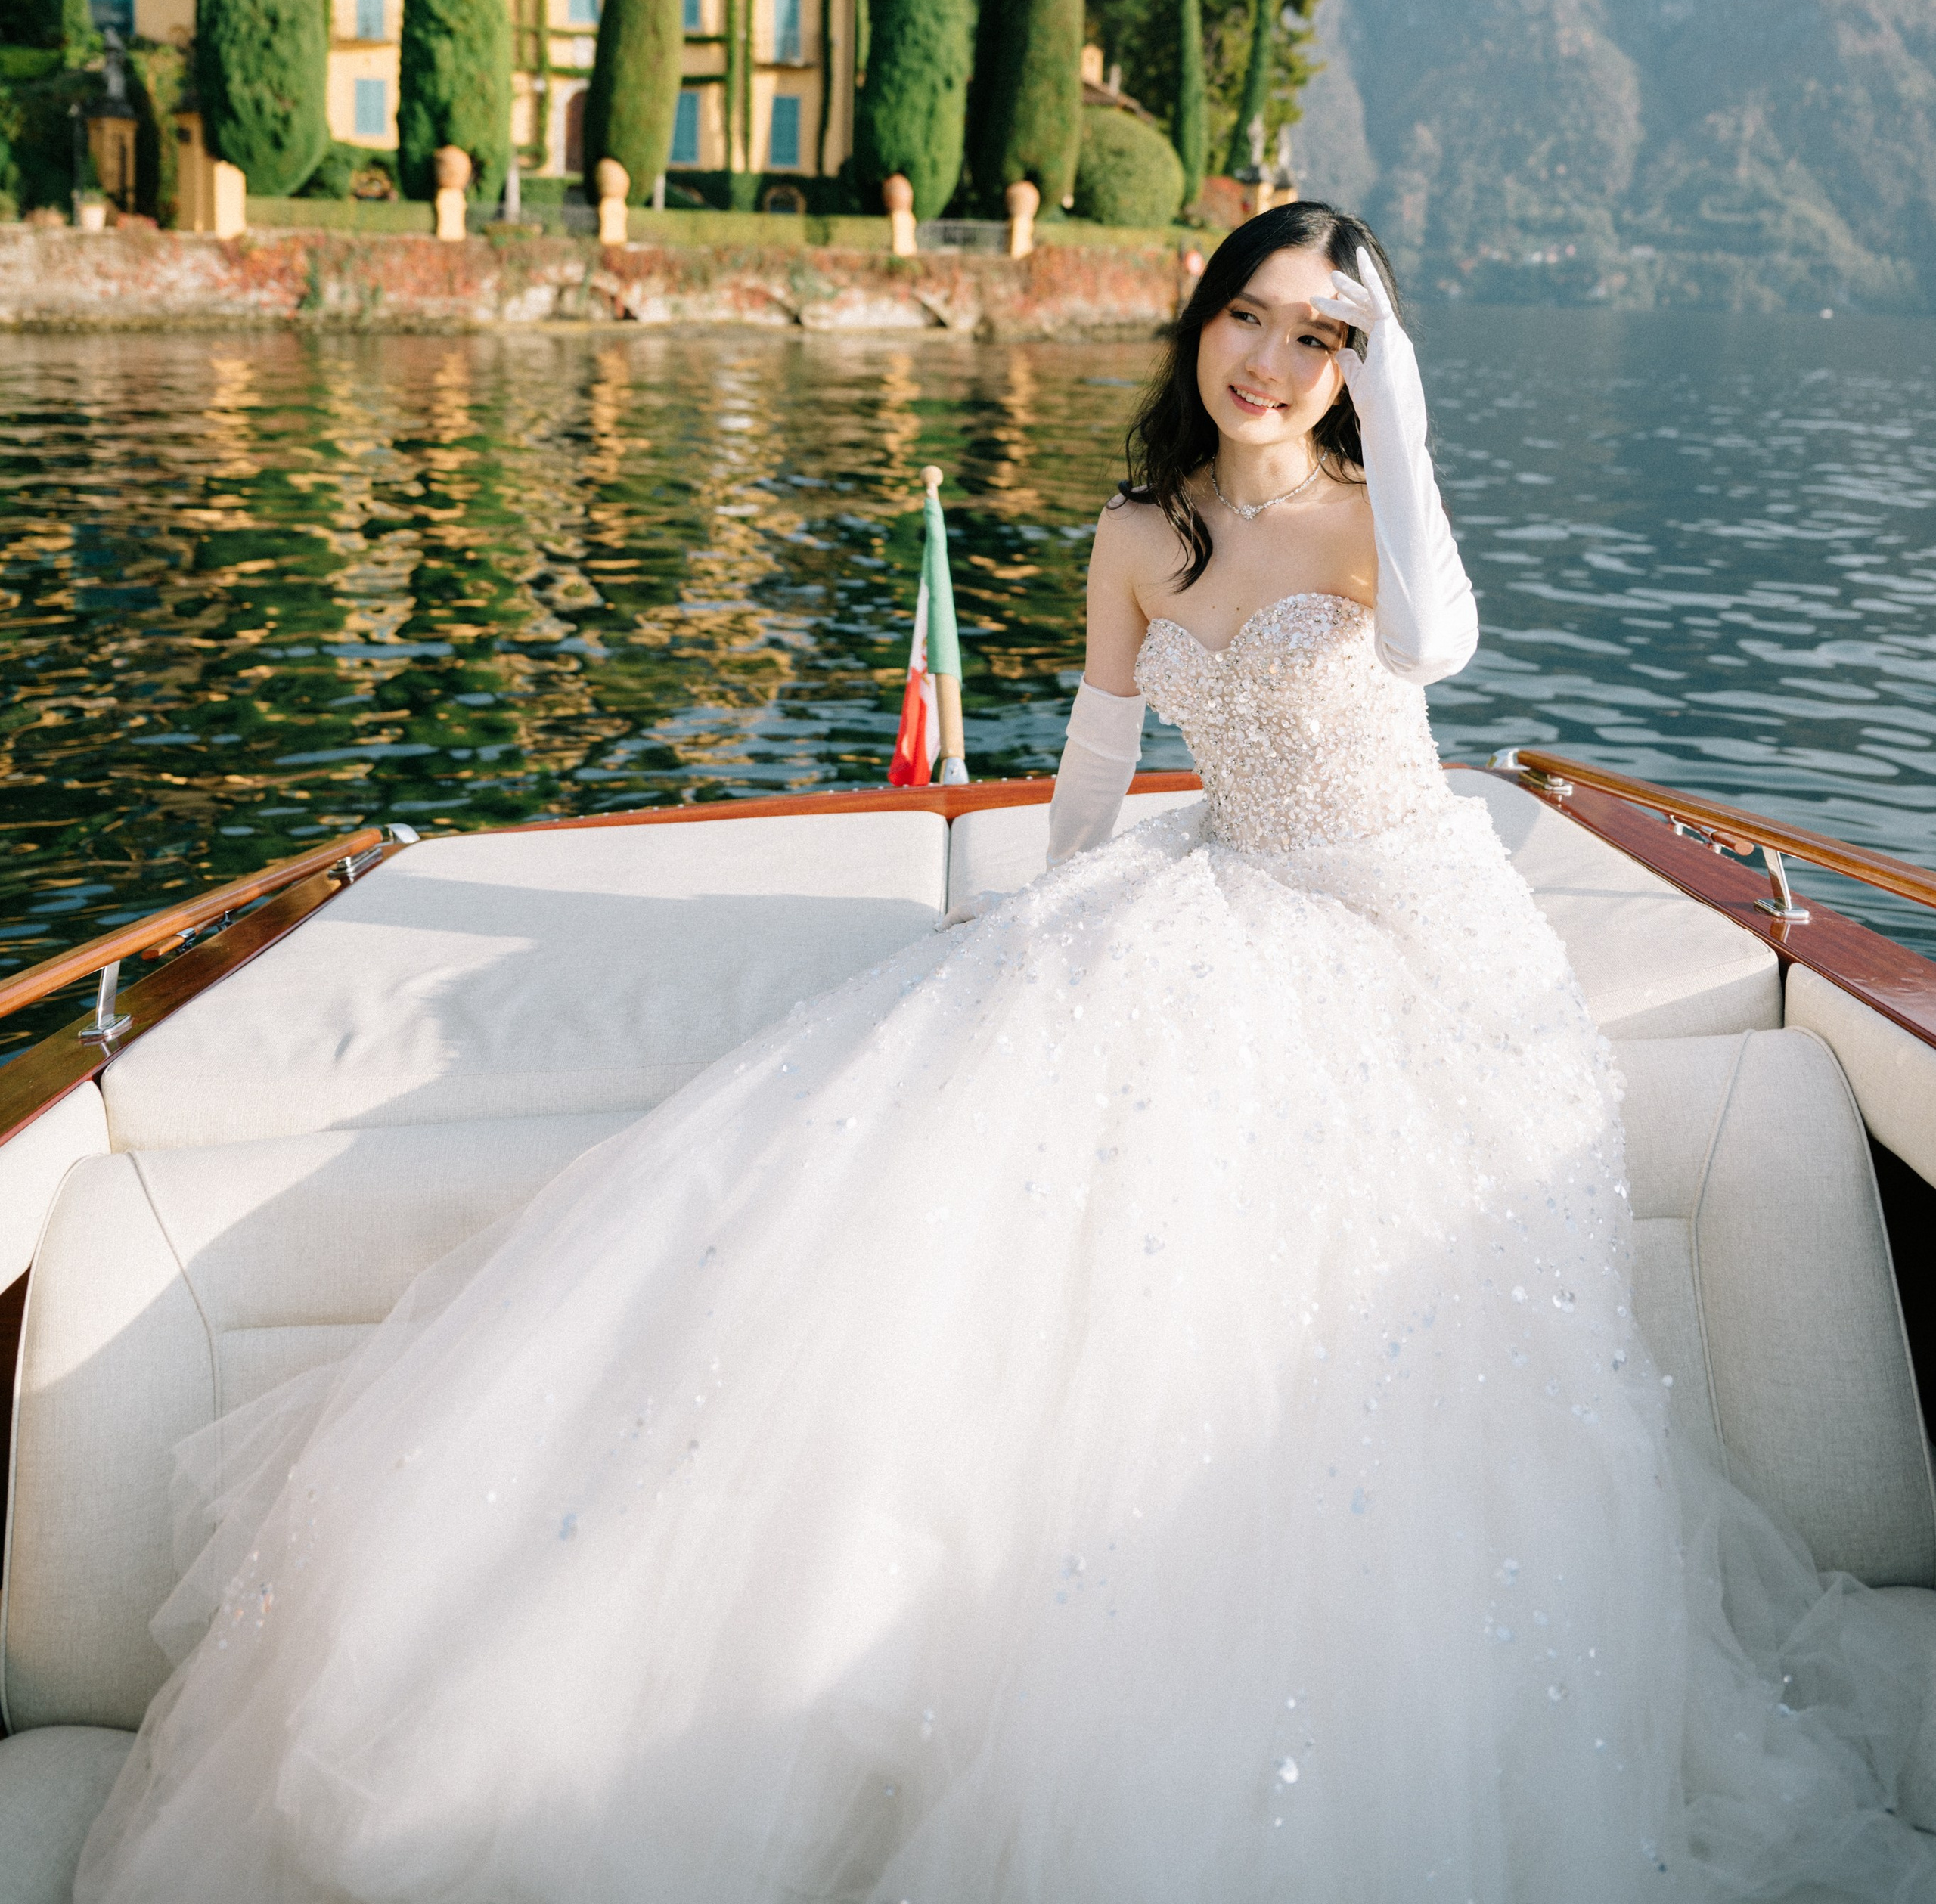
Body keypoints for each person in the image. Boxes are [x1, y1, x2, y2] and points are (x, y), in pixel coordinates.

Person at [80, 203, 1932, 1902]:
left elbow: (1442, 643)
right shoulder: (1139, 531)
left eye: (1318, 336)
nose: (1270, 364)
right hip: (1227, 888)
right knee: (961, 1115)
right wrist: (1042, 925)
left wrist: (1415, 414)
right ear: (1196, 324)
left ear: (1361, 363)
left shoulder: (1379, 523)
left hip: (1423, 939)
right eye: (1247, 318)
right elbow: (1102, 767)